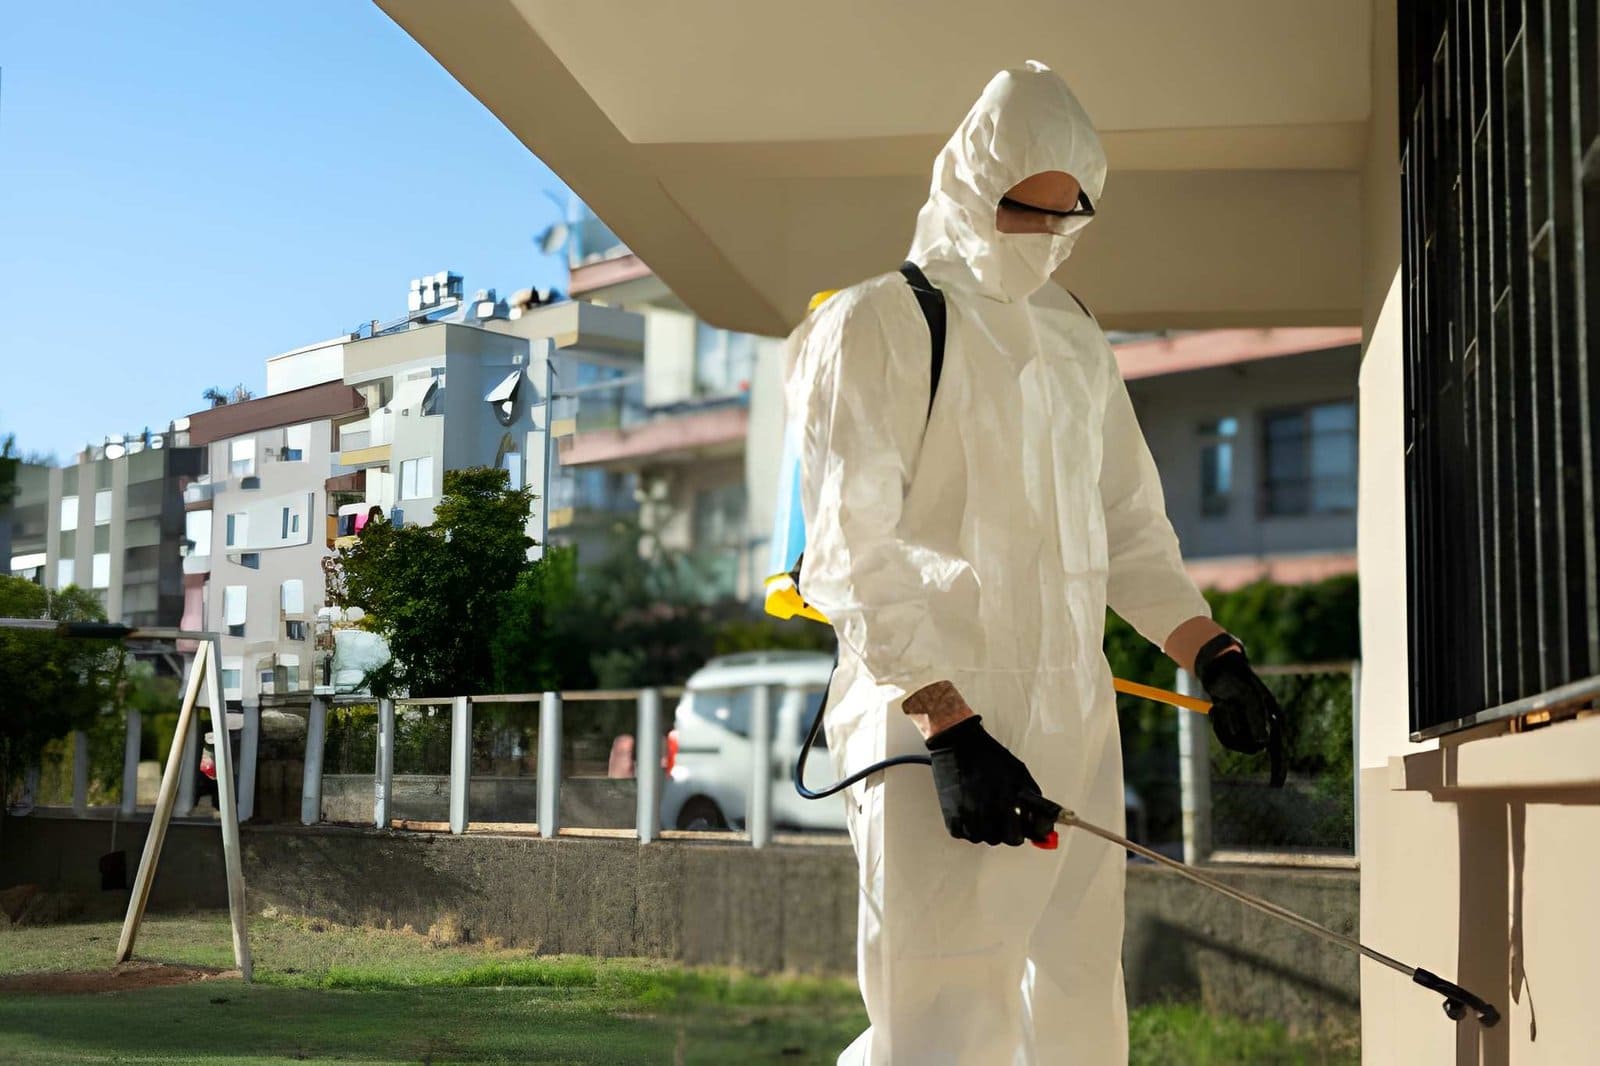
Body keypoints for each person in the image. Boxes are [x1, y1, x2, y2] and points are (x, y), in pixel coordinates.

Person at [786, 62, 1284, 1064]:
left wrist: (1212, 652)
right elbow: (850, 551)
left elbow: (1127, 524)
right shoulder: (879, 322)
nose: (1045, 235)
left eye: (1067, 215)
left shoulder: (1073, 334)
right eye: (1023, 208)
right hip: (934, 719)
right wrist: (949, 724)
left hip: (1074, 713)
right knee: (942, 1006)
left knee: (1077, 991)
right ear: (970, 184)